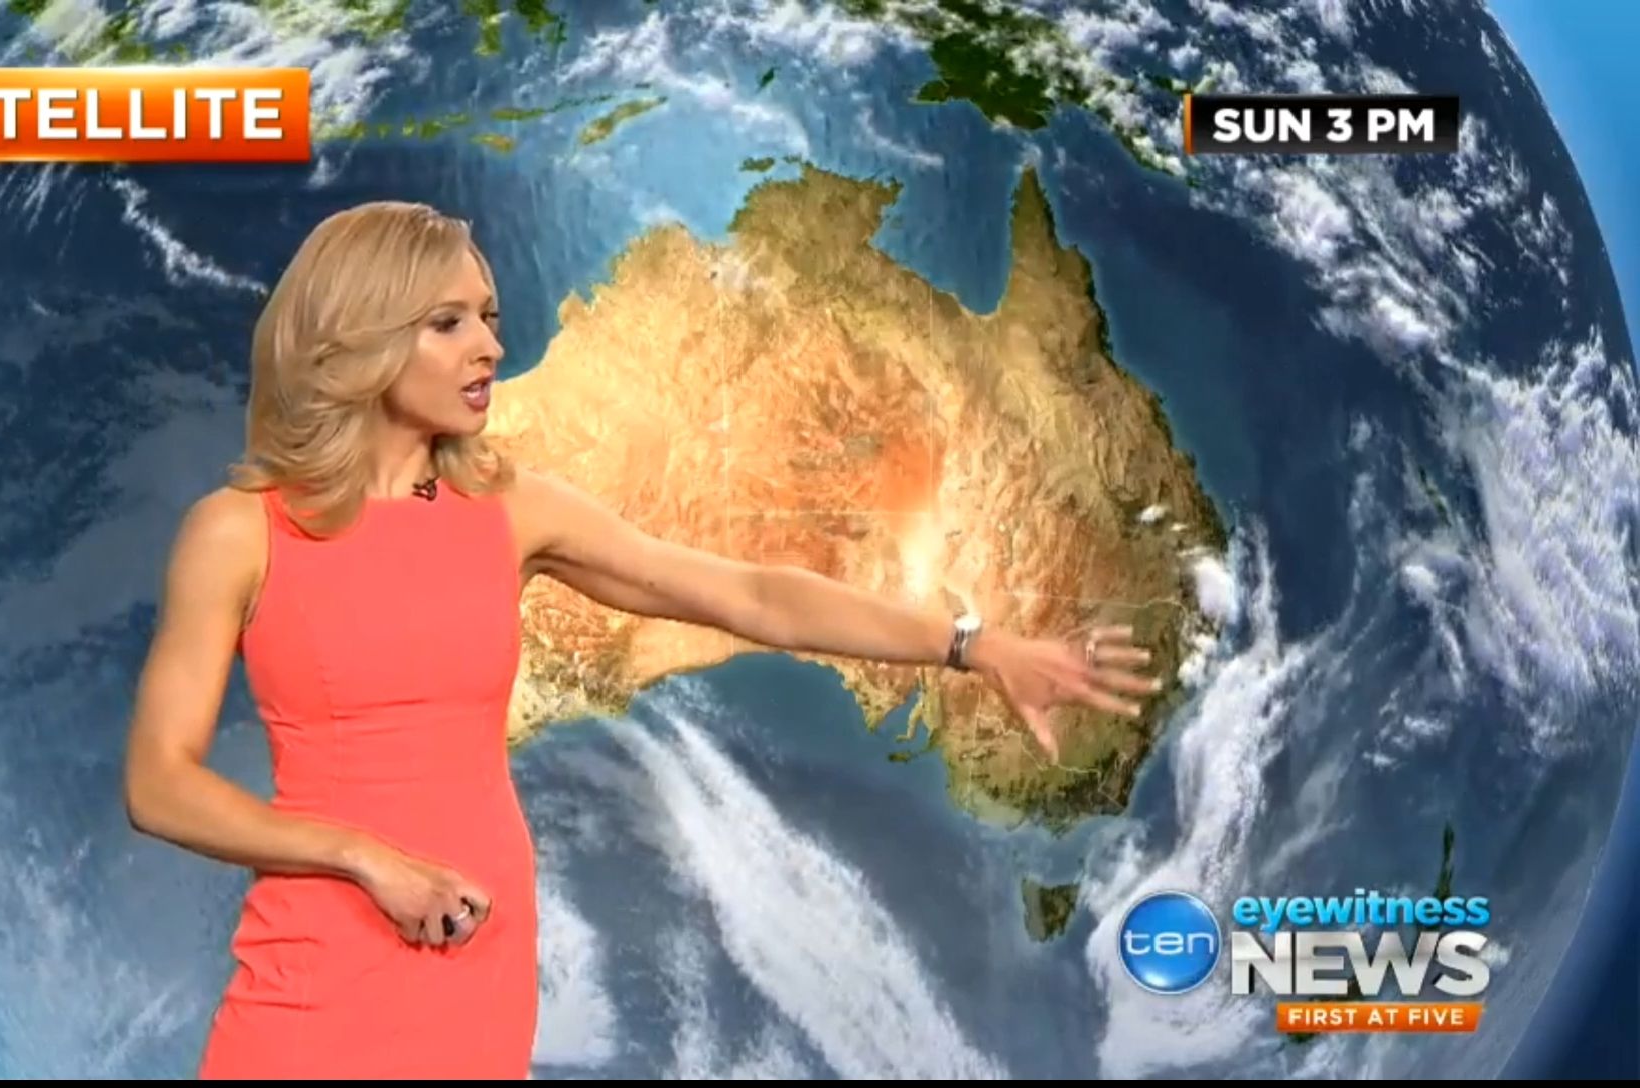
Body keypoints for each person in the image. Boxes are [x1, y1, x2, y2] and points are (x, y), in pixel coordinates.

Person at [121, 200, 1163, 1080]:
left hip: (473, 963)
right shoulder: (240, 532)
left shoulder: (509, 512)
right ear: (359, 337)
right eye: (447, 322)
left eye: (488, 316)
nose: (488, 346)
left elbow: (751, 596)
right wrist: (361, 857)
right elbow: (160, 783)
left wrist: (973, 645)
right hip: (317, 971)